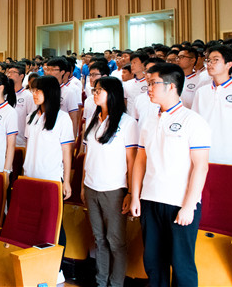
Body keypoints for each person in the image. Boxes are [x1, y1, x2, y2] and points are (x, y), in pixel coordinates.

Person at [130, 63, 211, 287]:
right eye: (148, 84)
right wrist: (135, 196)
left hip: (178, 203)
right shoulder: (149, 120)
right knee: (154, 262)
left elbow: (200, 167)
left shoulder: (193, 121)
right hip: (150, 199)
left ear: (172, 86)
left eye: (153, 83)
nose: (149, 88)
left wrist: (189, 206)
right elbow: (140, 161)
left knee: (182, 264)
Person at [81, 77, 138, 287]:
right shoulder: (93, 119)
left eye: (99, 90)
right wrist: (82, 185)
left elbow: (132, 161)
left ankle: (115, 283)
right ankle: (101, 281)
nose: (95, 94)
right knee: (99, 239)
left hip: (114, 189)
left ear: (112, 94)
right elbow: (88, 155)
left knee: (115, 241)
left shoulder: (127, 123)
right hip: (91, 186)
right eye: (94, 90)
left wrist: (131, 192)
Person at [23, 75, 74, 284]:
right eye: (33, 90)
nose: (34, 94)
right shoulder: (31, 117)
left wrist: (66, 181)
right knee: (34, 225)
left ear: (50, 92)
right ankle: (36, 266)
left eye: (38, 90)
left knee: (54, 227)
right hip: (31, 178)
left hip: (51, 180)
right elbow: (29, 147)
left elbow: (67, 152)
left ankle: (57, 268)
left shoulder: (62, 118)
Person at [192, 45, 232, 165]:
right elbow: (195, 125)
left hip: (229, 156)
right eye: (208, 60)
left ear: (229, 64)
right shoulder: (201, 92)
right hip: (202, 156)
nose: (210, 64)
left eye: (215, 60)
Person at [6, 63, 36, 148]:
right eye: (8, 72)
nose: (9, 75)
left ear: (21, 76)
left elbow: (32, 120)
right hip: (5, 142)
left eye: (13, 72)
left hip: (21, 143)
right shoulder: (4, 95)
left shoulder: (28, 96)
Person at [123, 52, 149, 116]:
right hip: (131, 118)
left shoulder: (150, 83)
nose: (132, 65)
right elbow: (125, 102)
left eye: (134, 63)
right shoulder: (127, 84)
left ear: (144, 64)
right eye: (131, 63)